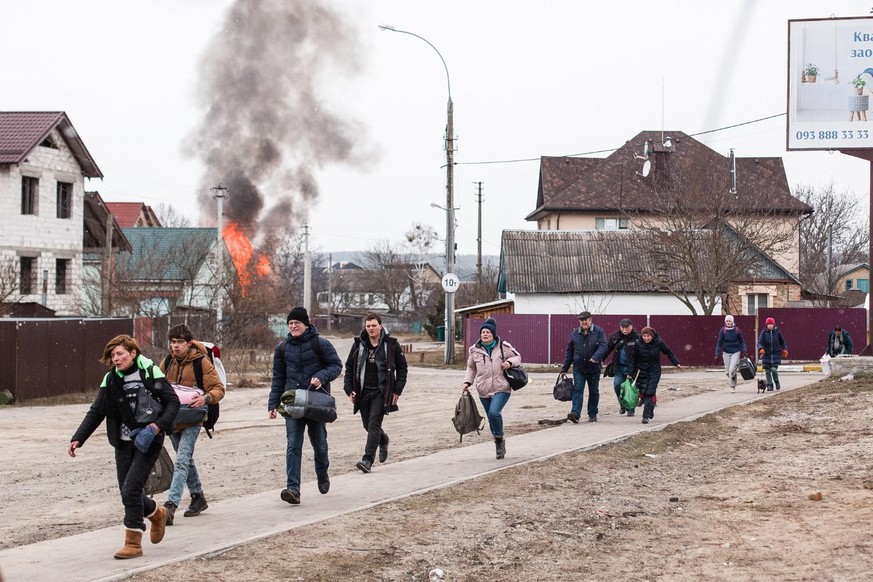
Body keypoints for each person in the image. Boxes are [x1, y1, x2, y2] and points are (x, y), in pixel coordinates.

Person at [68, 335, 180, 559]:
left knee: (130, 490)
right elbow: (97, 411)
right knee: (127, 492)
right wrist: (78, 437)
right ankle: (157, 513)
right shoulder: (111, 380)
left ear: (133, 353)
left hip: (148, 442)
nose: (116, 359)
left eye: (120, 354)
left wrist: (157, 427)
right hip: (123, 444)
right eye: (112, 355)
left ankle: (133, 542)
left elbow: (173, 402)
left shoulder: (150, 372)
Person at [268, 306, 342, 505]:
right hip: (292, 404)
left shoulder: (321, 344)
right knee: (293, 446)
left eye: (296, 323)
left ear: (306, 324)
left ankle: (322, 473)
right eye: (290, 324)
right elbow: (278, 378)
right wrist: (273, 403)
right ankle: (293, 489)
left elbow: (336, 366)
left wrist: (321, 376)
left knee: (320, 445)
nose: (293, 326)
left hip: (315, 403)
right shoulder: (282, 348)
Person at [158, 324, 225, 525]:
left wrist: (205, 398)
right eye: (173, 342)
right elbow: (156, 385)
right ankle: (198, 497)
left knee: (181, 460)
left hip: (194, 418)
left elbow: (218, 388)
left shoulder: (201, 362)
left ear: (189, 343)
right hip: (172, 418)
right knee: (185, 459)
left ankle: (171, 505)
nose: (176, 346)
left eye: (180, 342)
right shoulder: (168, 361)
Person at [343, 313, 408, 473]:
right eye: (368, 326)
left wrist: (397, 390)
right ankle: (383, 440)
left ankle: (367, 460)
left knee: (373, 424)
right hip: (363, 392)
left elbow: (402, 368)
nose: (371, 328)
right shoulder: (359, 344)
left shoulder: (391, 345)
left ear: (380, 326)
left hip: (381, 392)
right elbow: (349, 367)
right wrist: (349, 389)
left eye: (373, 325)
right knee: (367, 425)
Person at [462, 318, 521, 459]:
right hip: (483, 389)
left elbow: (517, 357)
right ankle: (497, 440)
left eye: (488, 332)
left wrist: (509, 362)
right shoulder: (474, 350)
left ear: (493, 334)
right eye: (483, 332)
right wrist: (467, 382)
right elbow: (471, 368)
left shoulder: (503, 347)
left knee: (495, 413)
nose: (485, 334)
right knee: (491, 418)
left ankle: (499, 440)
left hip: (502, 387)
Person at [625, 326, 681, 424]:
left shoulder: (658, 342)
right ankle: (650, 409)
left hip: (654, 371)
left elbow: (668, 352)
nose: (646, 338)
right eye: (644, 336)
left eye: (648, 336)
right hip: (640, 371)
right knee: (642, 391)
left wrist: (676, 363)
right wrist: (630, 372)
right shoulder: (638, 344)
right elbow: (632, 359)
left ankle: (645, 416)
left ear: (652, 336)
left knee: (649, 392)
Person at [561, 311, 608, 423]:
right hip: (579, 368)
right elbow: (569, 352)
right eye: (582, 320)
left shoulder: (599, 332)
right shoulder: (574, 334)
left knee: (593, 391)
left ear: (590, 320)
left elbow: (603, 345)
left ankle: (592, 414)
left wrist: (596, 357)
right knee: (577, 390)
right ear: (579, 322)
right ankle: (575, 414)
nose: (584, 322)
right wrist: (564, 368)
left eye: (586, 320)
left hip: (594, 368)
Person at [603, 318, 640, 416]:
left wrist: (635, 369)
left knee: (630, 388)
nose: (625, 330)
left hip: (631, 367)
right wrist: (600, 359)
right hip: (618, 367)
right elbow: (607, 349)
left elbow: (641, 353)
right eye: (623, 328)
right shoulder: (615, 336)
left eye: (627, 328)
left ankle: (630, 409)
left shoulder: (637, 337)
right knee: (617, 385)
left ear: (631, 327)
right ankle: (622, 404)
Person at [714, 314, 748, 393]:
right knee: (727, 371)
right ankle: (733, 378)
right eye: (727, 321)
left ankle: (732, 386)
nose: (728, 322)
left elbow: (742, 341)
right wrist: (717, 354)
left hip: (736, 351)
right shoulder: (723, 330)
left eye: (729, 321)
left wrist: (744, 350)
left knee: (732, 370)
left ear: (732, 322)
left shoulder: (737, 330)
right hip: (726, 352)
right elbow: (719, 342)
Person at [758, 317, 787, 391]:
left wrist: (785, 349)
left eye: (771, 324)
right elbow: (759, 342)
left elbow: (783, 342)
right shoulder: (763, 333)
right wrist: (760, 348)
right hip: (766, 355)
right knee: (767, 371)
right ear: (766, 325)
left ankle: (776, 381)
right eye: (768, 324)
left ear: (774, 325)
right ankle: (769, 385)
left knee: (774, 369)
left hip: (776, 355)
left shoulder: (777, 332)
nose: (770, 326)